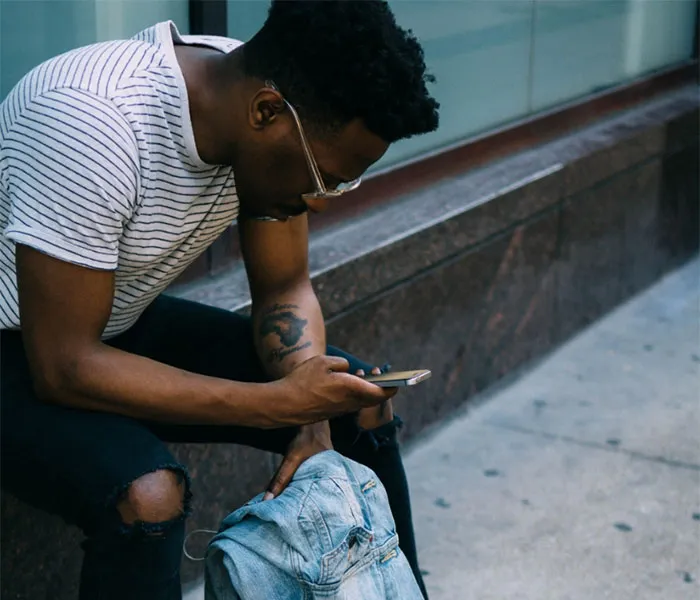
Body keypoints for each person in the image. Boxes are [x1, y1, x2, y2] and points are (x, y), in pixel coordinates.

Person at [0, 1, 440, 599]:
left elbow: (284, 289)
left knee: (357, 401)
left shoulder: (262, 109)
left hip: (108, 321)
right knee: (148, 495)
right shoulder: (92, 121)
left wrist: (309, 415)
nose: (323, 200)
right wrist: (273, 405)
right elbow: (63, 367)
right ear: (265, 113)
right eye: (323, 177)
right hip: (30, 347)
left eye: (343, 183)